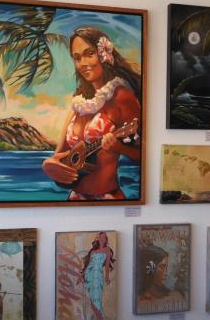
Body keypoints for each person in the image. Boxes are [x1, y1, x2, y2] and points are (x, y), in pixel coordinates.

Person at [42, 26, 142, 200]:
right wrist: (48, 164)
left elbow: (144, 155)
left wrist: (118, 147)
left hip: (108, 200)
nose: (83, 63)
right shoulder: (78, 103)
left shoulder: (121, 96)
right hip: (75, 198)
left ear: (104, 54)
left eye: (89, 54)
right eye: (77, 58)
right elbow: (60, 154)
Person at [77, 232, 115, 320]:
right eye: (100, 237)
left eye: (104, 237)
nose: (102, 239)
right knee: (92, 299)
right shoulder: (93, 251)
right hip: (90, 275)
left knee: (97, 298)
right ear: (98, 238)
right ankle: (99, 319)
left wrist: (107, 277)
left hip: (98, 276)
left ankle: (100, 318)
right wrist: (81, 275)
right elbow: (88, 265)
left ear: (106, 239)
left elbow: (107, 265)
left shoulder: (107, 250)